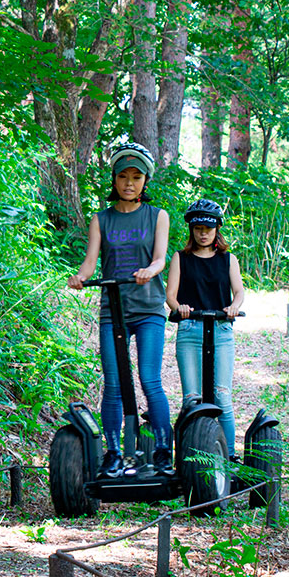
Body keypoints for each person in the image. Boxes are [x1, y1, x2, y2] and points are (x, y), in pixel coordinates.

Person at [67, 142, 173, 476]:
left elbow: (159, 258)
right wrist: (80, 278)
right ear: (113, 179)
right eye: (123, 176)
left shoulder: (157, 216)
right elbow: (89, 263)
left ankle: (161, 448)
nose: (129, 183)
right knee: (113, 382)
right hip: (113, 310)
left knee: (148, 378)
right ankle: (113, 451)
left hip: (149, 308)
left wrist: (150, 271)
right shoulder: (101, 219)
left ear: (146, 181)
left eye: (136, 176)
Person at [166, 198, 246, 456]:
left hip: (221, 331)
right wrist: (180, 307)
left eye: (208, 229)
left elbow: (239, 291)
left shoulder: (228, 259)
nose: (203, 234)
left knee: (222, 396)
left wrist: (234, 306)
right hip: (190, 330)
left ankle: (228, 455)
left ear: (216, 230)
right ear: (192, 229)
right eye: (198, 228)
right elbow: (170, 296)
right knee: (192, 398)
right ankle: (187, 457)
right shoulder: (181, 258)